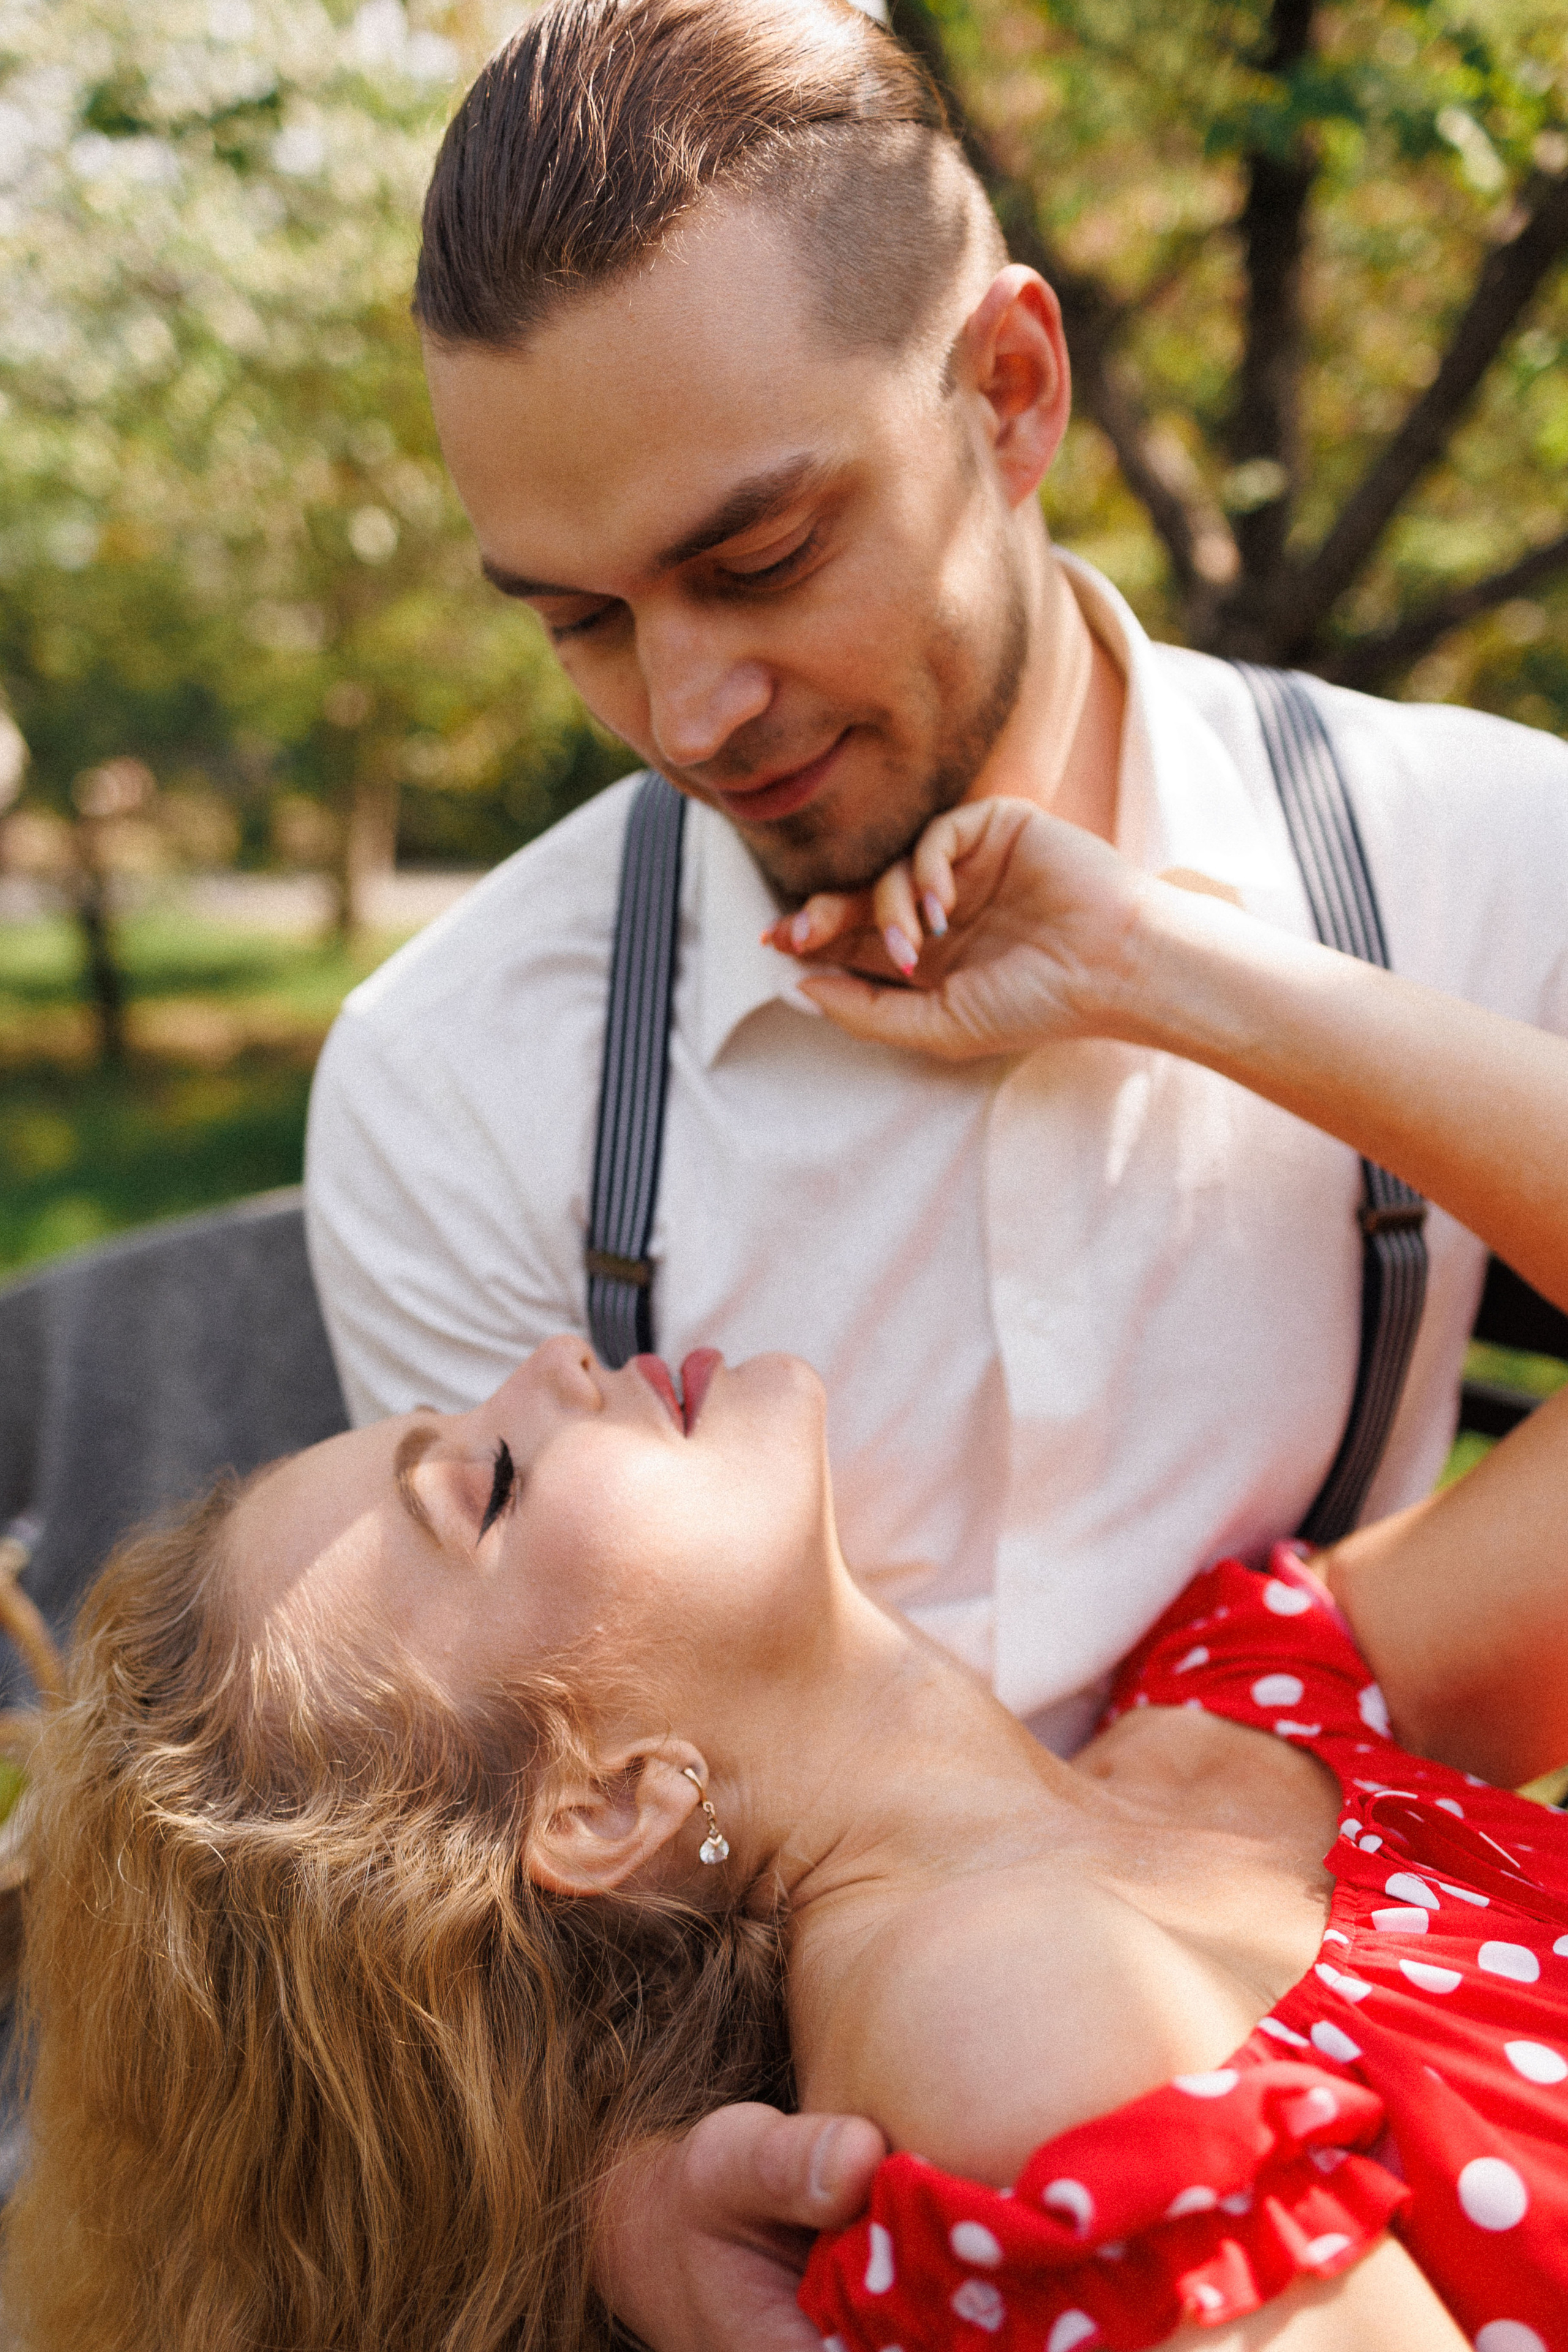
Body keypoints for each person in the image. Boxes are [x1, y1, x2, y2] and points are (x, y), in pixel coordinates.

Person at [300, 0, 1568, 2340]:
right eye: (581, 618)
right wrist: (611, 2193)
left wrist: (1201, 981)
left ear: (1010, 392)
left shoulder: (1473, 854)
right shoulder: (454, 1077)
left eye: (759, 555)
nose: (689, 714)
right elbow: (502, 1818)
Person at [13, 802, 1568, 2352]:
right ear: (602, 1803)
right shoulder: (1017, 2032)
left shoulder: (1229, 1703)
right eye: (483, 1485)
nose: (554, 1364)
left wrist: (1152, 959)